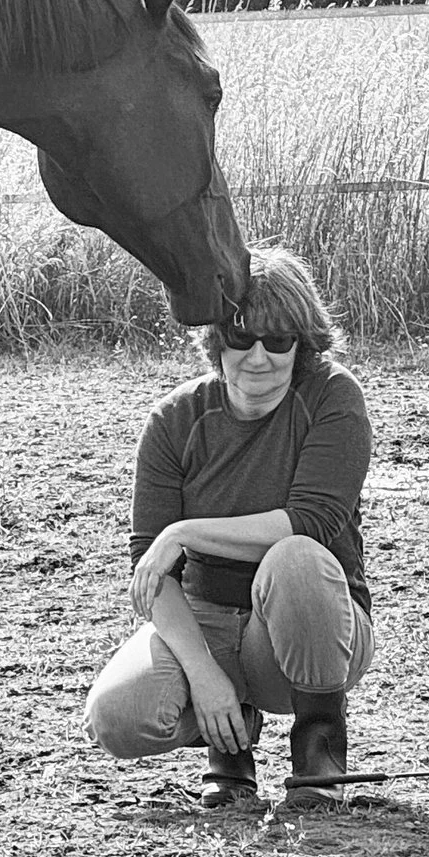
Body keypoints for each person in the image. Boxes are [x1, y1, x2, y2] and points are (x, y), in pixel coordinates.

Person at [81, 246, 373, 809]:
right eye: (241, 339)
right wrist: (205, 676)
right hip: (207, 620)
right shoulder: (175, 420)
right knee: (118, 719)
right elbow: (150, 570)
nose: (258, 356)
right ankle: (230, 742)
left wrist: (186, 533)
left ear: (304, 344)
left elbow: (312, 520)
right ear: (216, 341)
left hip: (312, 628)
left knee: (296, 555)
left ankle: (319, 748)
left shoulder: (334, 397)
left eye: (279, 340)